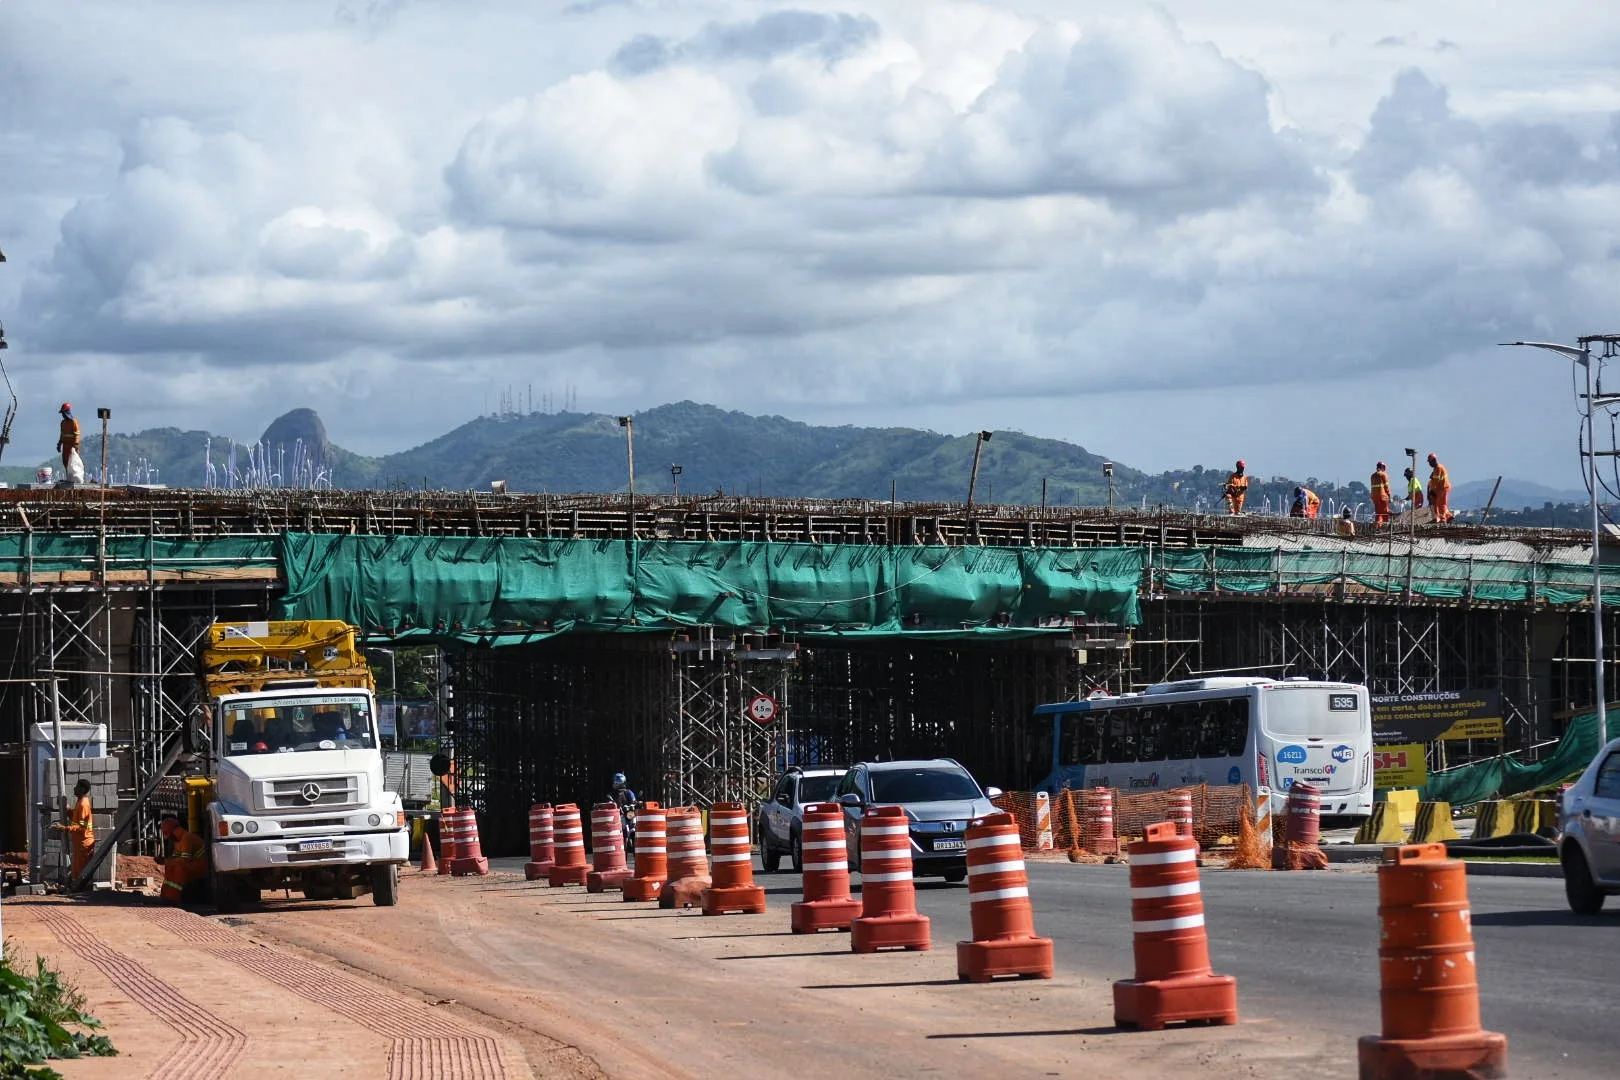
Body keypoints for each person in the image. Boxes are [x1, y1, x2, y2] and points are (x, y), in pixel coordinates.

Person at [51, 778, 95, 887]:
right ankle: (77, 888)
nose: (74, 788)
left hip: (84, 844)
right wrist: (67, 809)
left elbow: (81, 827)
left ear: (82, 789)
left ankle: (82, 892)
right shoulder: (79, 802)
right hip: (80, 844)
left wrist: (64, 828)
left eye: (77, 786)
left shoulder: (83, 805)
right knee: (76, 870)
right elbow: (76, 818)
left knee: (80, 872)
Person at [159, 816, 206, 905]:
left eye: (170, 835)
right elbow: (176, 859)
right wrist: (166, 861)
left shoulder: (186, 838)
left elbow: (184, 860)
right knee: (170, 867)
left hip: (202, 864)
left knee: (179, 869)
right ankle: (165, 896)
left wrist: (166, 861)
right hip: (193, 863)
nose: (170, 838)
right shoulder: (178, 841)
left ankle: (173, 898)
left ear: (174, 831)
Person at [55, 402, 80, 473]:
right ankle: (69, 477)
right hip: (65, 446)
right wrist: (59, 444)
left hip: (72, 446)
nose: (62, 415)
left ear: (66, 412)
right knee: (65, 462)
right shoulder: (63, 423)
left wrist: (75, 445)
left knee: (73, 463)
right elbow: (62, 435)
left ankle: (75, 478)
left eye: (63, 413)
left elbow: (77, 434)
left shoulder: (74, 422)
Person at [1427, 453, 1452, 523]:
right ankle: (1448, 516)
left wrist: (1432, 491)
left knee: (1440, 503)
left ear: (1434, 460)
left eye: (1430, 462)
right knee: (1441, 503)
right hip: (1442, 488)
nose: (1429, 464)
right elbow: (1434, 480)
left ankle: (1443, 519)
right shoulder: (1436, 468)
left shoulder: (1438, 468)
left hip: (1443, 487)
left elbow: (1435, 481)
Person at [1370, 461, 1392, 526]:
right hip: (1383, 497)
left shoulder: (1372, 476)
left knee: (1378, 513)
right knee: (1385, 513)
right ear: (1382, 467)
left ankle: (1377, 527)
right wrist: (1389, 496)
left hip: (1375, 498)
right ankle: (1384, 527)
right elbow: (1386, 487)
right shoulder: (1383, 475)